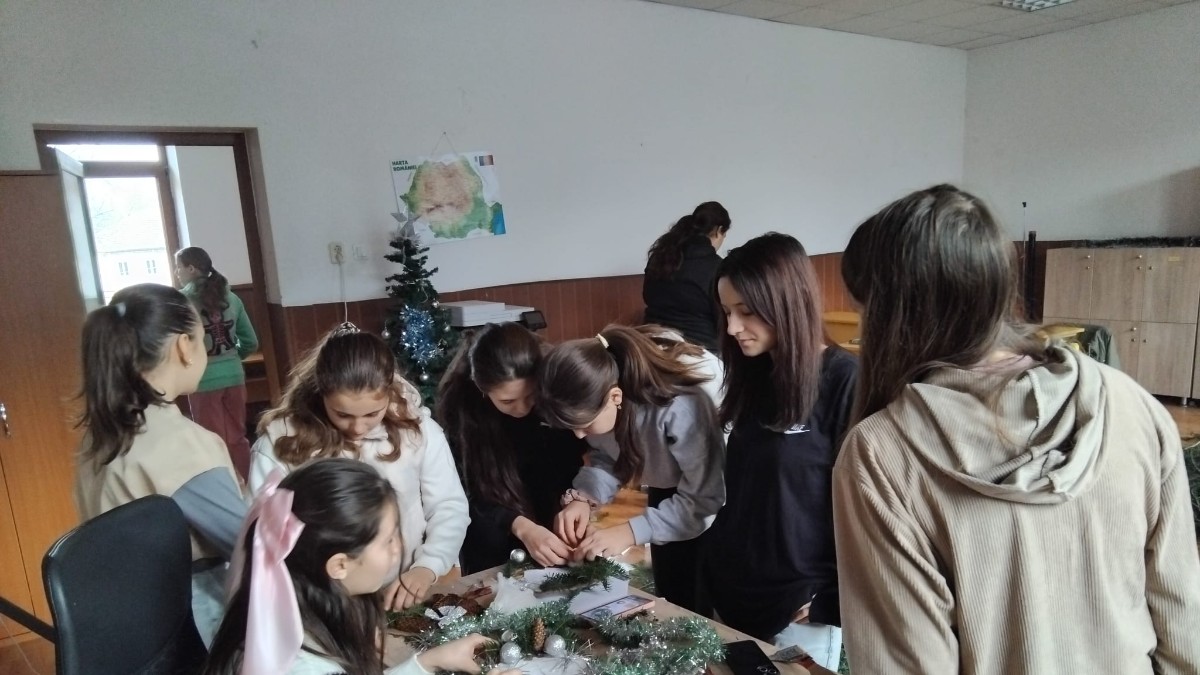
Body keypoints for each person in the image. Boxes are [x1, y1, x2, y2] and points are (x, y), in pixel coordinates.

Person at [834, 184, 1200, 674]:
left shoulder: (880, 453)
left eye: (864, 311)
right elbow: (1182, 615)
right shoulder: (1129, 401)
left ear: (889, 315)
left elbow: (905, 664)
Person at [700, 233, 857, 670]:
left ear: (787, 303)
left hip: (799, 607)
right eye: (727, 312)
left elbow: (868, 508)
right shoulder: (753, 375)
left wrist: (832, 594)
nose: (732, 327)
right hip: (732, 588)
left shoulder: (844, 380)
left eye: (746, 312)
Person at [204, 458, 517, 675]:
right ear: (340, 565)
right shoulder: (304, 665)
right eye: (388, 540)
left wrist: (427, 662)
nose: (399, 549)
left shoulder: (295, 616)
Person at [74, 283, 247, 645]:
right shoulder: (180, 444)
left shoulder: (103, 434)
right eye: (201, 338)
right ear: (184, 346)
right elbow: (248, 543)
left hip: (125, 623)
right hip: (190, 626)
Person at [249, 323, 468, 610]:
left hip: (406, 587)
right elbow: (264, 535)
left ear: (389, 393)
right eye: (342, 415)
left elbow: (448, 506)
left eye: (372, 414)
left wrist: (429, 565)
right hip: (324, 599)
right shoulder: (282, 443)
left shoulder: (419, 430)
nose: (358, 427)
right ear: (321, 392)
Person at [538, 324, 725, 613]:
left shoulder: (681, 404)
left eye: (585, 425)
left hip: (718, 499)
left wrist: (628, 532)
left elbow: (703, 500)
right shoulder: (599, 398)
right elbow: (608, 455)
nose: (579, 435)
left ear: (615, 397)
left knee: (706, 597)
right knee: (673, 588)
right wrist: (583, 498)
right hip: (670, 490)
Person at [437, 322, 587, 573]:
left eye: (530, 395)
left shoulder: (553, 388)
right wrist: (522, 527)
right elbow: (466, 491)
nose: (523, 408)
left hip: (550, 508)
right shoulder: (461, 409)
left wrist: (578, 500)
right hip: (488, 527)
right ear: (482, 389)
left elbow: (572, 459)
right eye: (507, 401)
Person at [175, 246, 259, 480]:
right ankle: (252, 485)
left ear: (191, 269)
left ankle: (226, 488)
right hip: (234, 376)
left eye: (179, 267)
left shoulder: (182, 302)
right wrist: (232, 358)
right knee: (238, 437)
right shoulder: (232, 298)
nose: (177, 273)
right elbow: (251, 342)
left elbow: (178, 343)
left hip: (203, 379)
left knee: (211, 440)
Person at [642, 201, 731, 350]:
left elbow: (647, 296)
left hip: (651, 347)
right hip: (699, 350)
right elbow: (722, 320)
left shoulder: (659, 258)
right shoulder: (716, 266)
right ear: (718, 230)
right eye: (724, 235)